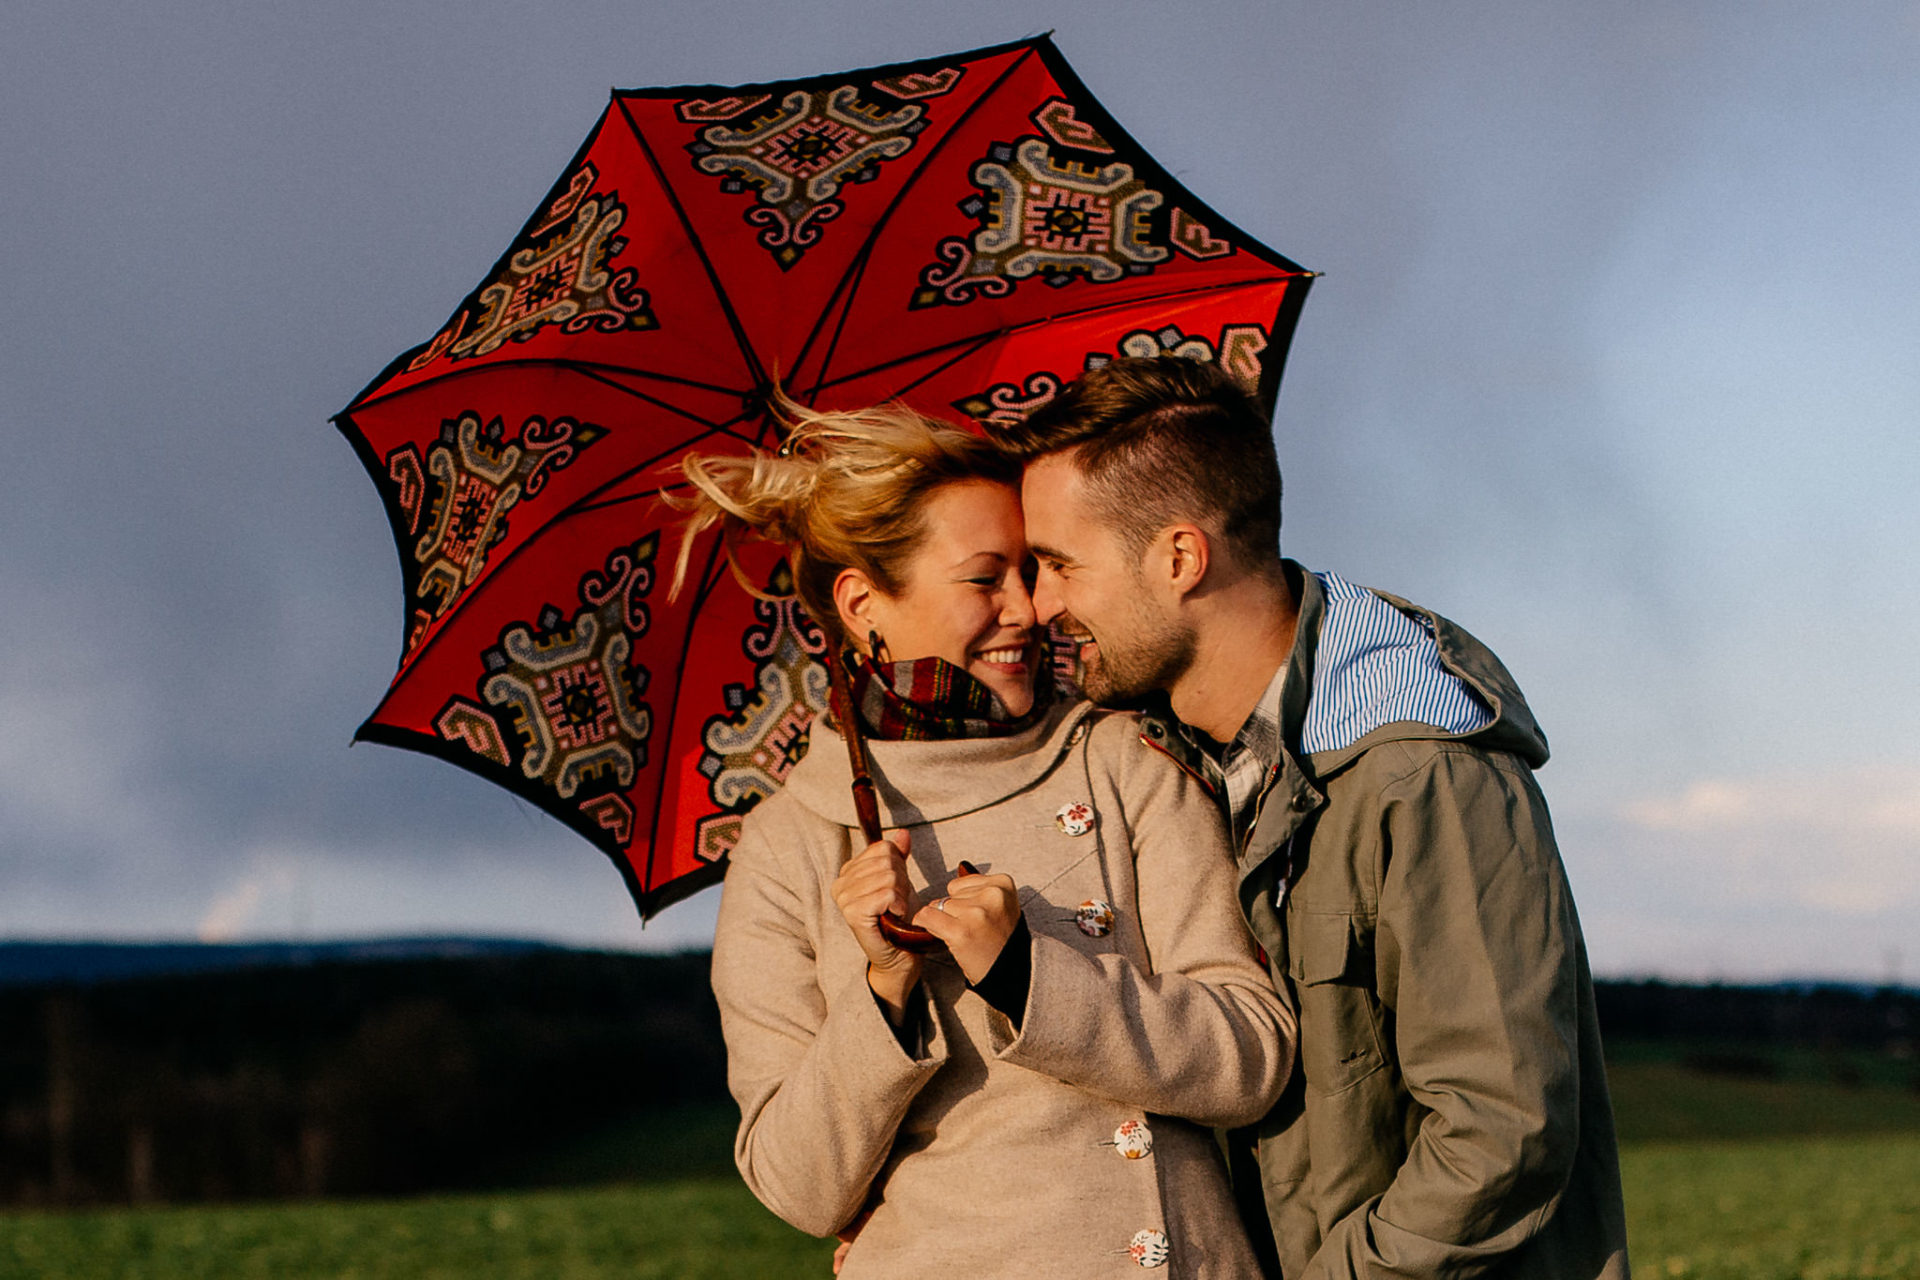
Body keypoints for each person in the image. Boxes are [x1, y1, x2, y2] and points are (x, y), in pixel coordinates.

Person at [997, 356, 1630, 1280]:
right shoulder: (1182, 766)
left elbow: (1501, 1134)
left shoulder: (1420, 776)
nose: (1040, 603)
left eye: (1059, 564)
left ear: (1180, 558)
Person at [673, 402, 1296, 1279]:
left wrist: (1027, 976)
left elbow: (1254, 1055)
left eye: (1034, 569)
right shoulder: (789, 845)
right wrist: (881, 991)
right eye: (984, 579)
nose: (1030, 608)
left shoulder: (1122, 758)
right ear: (861, 605)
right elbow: (796, 1186)